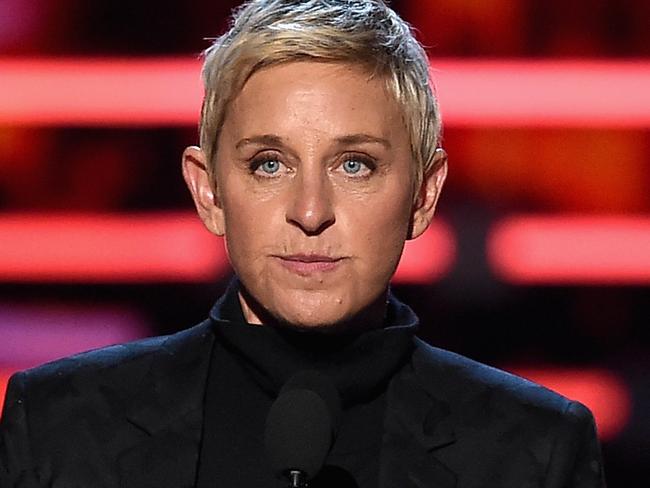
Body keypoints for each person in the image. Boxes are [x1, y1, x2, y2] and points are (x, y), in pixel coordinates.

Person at [0, 1, 606, 487]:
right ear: (208, 192)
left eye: (355, 165)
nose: (310, 212)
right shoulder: (59, 423)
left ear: (423, 196)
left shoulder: (536, 450)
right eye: (269, 164)